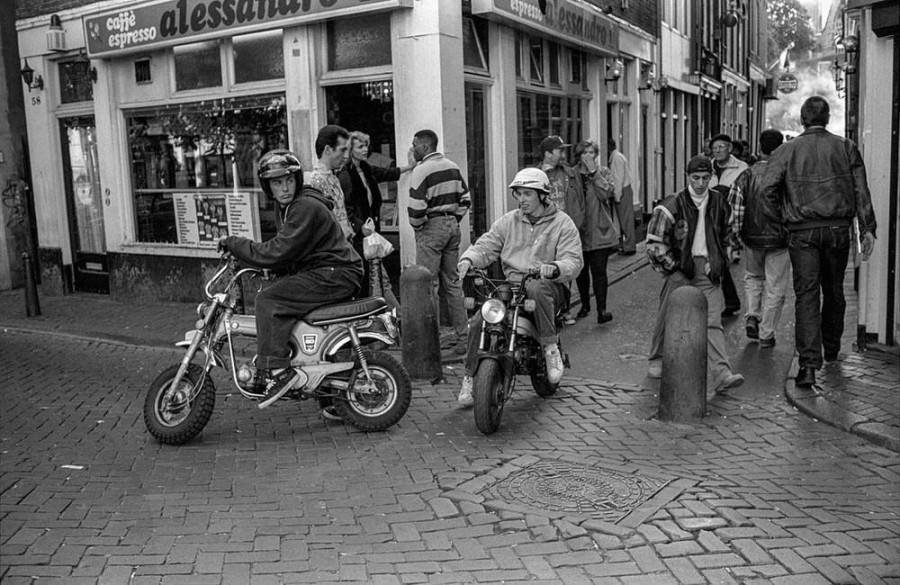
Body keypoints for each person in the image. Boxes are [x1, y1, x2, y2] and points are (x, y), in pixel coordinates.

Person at [218, 150, 363, 408]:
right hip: (329, 271)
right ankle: (325, 392)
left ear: (297, 180)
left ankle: (277, 371)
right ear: (268, 187)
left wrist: (235, 244)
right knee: (280, 296)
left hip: (336, 272)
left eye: (288, 180)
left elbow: (278, 250)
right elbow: (289, 251)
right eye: (276, 182)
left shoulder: (303, 206)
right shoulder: (289, 207)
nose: (284, 187)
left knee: (269, 300)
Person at [760, 96, 877, 388]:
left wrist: (782, 221)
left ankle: (809, 366)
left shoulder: (787, 151)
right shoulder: (845, 147)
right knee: (834, 289)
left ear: (803, 119)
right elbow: (861, 190)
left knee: (807, 295)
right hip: (837, 229)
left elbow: (765, 191)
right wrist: (867, 228)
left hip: (802, 231)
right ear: (826, 119)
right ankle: (832, 347)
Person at [455, 168, 583, 405]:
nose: (522, 199)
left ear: (542, 195)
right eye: (519, 194)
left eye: (527, 194)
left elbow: (573, 261)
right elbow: (487, 244)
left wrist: (554, 267)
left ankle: (550, 348)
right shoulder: (508, 221)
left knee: (536, 287)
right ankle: (470, 378)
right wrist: (469, 259)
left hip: (549, 286)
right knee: (479, 319)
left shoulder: (562, 223)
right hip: (512, 285)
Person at [646, 155, 744, 397]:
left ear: (711, 177)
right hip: (681, 269)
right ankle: (657, 357)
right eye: (695, 178)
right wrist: (674, 267)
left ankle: (721, 374)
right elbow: (655, 243)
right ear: (688, 177)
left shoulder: (720, 203)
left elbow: (731, 236)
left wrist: (720, 262)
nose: (701, 183)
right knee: (667, 314)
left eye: (705, 178)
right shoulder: (672, 205)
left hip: (708, 271)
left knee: (712, 322)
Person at [408, 129, 471, 355]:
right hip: (452, 226)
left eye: (414, 144)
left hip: (431, 227)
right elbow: (466, 199)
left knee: (428, 286)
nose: (412, 148)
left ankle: (431, 341)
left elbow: (416, 209)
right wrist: (453, 219)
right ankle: (463, 337)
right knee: (453, 283)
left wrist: (420, 227)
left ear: (425, 147)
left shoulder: (421, 170)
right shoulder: (452, 166)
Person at [728, 129, 789, 348]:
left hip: (752, 238)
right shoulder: (785, 175)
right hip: (779, 240)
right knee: (775, 286)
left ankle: (752, 314)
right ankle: (766, 333)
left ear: (760, 147)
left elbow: (735, 209)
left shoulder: (745, 175)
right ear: (779, 148)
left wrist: (736, 238)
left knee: (753, 277)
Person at [338, 131, 414, 301]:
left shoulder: (365, 168)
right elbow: (345, 207)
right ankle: (386, 310)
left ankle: (385, 309)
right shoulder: (345, 175)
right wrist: (359, 226)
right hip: (359, 234)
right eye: (360, 147)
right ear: (351, 150)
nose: (365, 150)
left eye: (366, 146)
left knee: (376, 273)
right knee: (370, 274)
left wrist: (410, 166)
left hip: (371, 230)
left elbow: (387, 173)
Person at [572, 140, 619, 324]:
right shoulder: (572, 174)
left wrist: (594, 174)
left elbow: (606, 194)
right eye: (584, 153)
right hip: (579, 231)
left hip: (600, 231)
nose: (588, 156)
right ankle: (585, 304)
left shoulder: (603, 172)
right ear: (579, 156)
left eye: (592, 152)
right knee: (581, 272)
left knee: (599, 272)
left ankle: (602, 310)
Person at [708, 133, 748, 317]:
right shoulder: (707, 167)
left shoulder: (742, 168)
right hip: (708, 220)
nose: (717, 151)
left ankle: (724, 302)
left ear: (730, 148)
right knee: (717, 260)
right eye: (715, 148)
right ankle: (730, 301)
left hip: (729, 222)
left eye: (721, 147)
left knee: (718, 260)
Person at [304, 125, 355, 242]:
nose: (346, 156)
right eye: (342, 150)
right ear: (327, 150)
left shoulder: (334, 178)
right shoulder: (315, 182)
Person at [608, 139, 636, 255]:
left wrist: (617, 196)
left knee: (625, 220)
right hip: (625, 189)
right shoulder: (618, 157)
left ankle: (629, 247)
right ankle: (626, 245)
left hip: (622, 191)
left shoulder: (616, 158)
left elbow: (618, 178)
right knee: (624, 220)